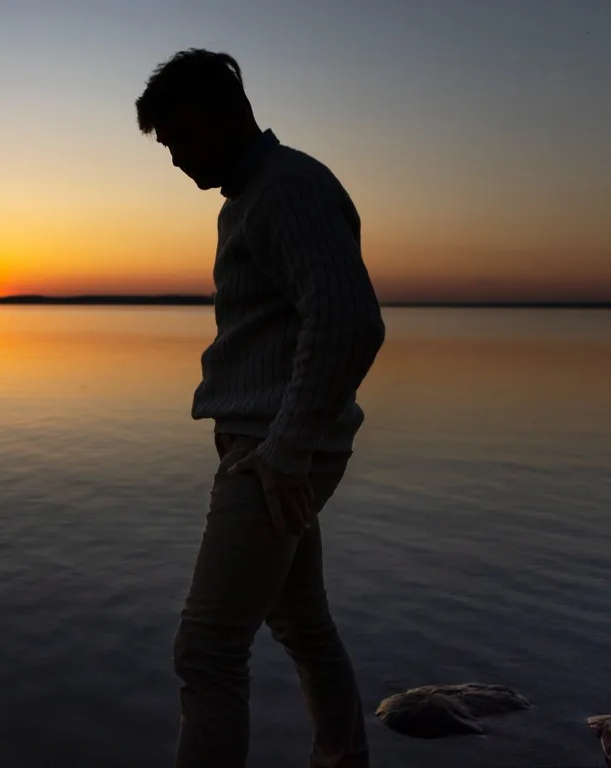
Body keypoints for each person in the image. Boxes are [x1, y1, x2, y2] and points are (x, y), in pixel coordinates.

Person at [135, 49, 385, 768]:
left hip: (270, 454)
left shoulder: (288, 188)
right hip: (272, 445)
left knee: (207, 653)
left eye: (180, 139)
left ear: (223, 115)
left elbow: (348, 321)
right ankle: (344, 758)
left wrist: (284, 449)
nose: (177, 160)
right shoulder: (252, 196)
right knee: (302, 622)